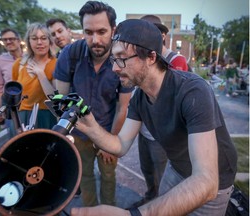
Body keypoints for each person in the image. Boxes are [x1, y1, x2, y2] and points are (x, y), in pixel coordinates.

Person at [71, 19, 237, 216]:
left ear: (151, 57)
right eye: (113, 59)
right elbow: (121, 145)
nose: (115, 68)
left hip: (215, 180)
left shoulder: (193, 91)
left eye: (122, 58)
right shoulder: (139, 97)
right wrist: (91, 127)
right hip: (176, 169)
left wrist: (133, 214)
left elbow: (207, 181)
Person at [54, 1, 133, 207]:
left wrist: (111, 143)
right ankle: (90, 211)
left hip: (108, 129)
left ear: (113, 30)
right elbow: (61, 101)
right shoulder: (69, 54)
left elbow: (122, 107)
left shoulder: (121, 59)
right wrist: (67, 134)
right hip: (79, 133)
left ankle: (108, 210)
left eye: (101, 31)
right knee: (84, 176)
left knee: (108, 177)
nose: (95, 39)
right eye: (88, 32)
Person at [127, 14, 190, 208]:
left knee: (163, 175)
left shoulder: (176, 59)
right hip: (144, 129)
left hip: (162, 133)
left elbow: (173, 97)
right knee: (147, 169)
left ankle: (161, 207)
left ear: (162, 35)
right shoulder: (138, 56)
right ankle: (150, 197)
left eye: (153, 32)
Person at [12, 22, 57, 132]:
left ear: (49, 41)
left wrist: (41, 74)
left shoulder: (56, 64)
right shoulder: (19, 64)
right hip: (23, 117)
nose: (39, 42)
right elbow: (14, 99)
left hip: (46, 117)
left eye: (43, 38)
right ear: (28, 41)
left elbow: (55, 98)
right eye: (34, 38)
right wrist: (17, 124)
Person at [0, 28, 23, 137]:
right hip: (11, 104)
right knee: (15, 136)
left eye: (11, 39)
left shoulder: (30, 57)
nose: (8, 42)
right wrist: (0, 110)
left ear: (19, 40)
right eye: (5, 40)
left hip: (30, 103)